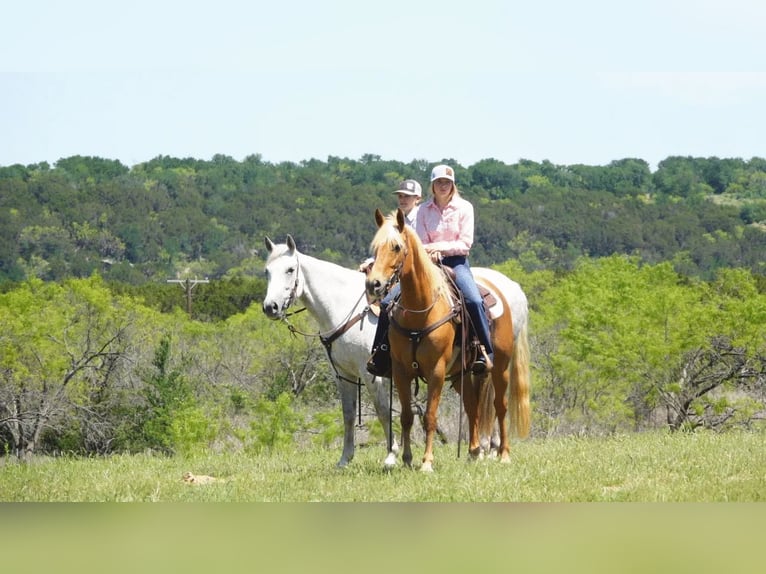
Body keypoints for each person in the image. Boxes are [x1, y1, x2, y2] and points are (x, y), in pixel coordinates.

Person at [366, 164, 493, 377]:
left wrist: (438, 248)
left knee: (473, 299)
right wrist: (429, 251)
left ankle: (485, 350)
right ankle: (381, 353)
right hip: (427, 264)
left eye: (447, 183)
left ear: (453, 185)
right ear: (432, 186)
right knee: (388, 302)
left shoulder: (465, 208)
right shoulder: (424, 209)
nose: (443, 186)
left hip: (456, 262)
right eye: (439, 182)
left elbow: (465, 243)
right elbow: (419, 241)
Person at [359, 179, 422, 273]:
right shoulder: (396, 222)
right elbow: (387, 249)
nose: (402, 199)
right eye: (400, 196)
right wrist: (370, 261)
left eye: (407, 196)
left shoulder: (423, 217)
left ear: (417, 199)